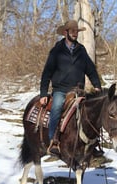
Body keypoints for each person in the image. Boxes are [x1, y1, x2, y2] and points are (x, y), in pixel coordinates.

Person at [39, 20, 103, 156]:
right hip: (60, 90)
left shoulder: (81, 50)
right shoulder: (56, 51)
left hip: (78, 90)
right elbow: (46, 73)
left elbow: (91, 69)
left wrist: (97, 86)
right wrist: (43, 93)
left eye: (76, 31)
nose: (75, 34)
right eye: (72, 31)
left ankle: (93, 143)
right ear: (65, 32)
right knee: (56, 108)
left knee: (91, 111)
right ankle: (53, 141)